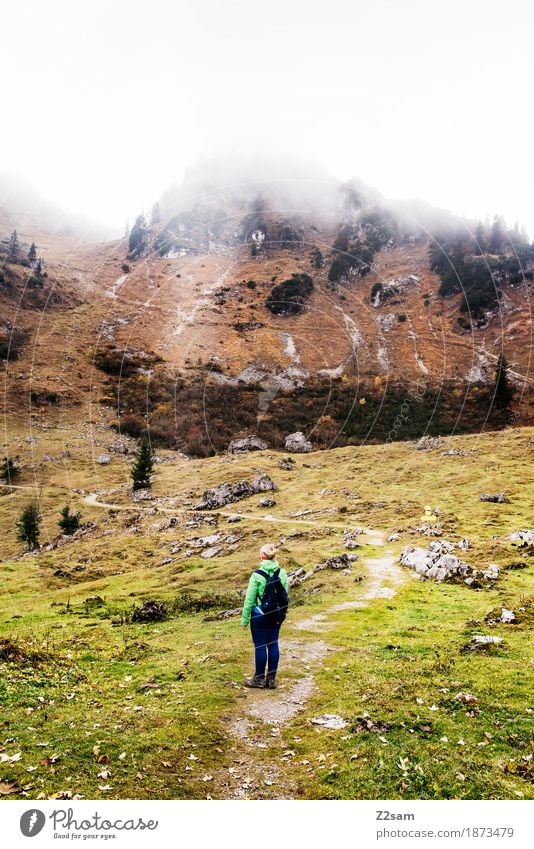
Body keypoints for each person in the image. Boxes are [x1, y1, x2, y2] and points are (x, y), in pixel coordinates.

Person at [241, 542, 289, 689]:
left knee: (260, 646)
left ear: (262, 556)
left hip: (259, 615)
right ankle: (272, 679)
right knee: (273, 644)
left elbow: (249, 599)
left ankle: (259, 679)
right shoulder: (282, 573)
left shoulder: (256, 575)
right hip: (276, 615)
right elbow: (285, 595)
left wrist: (244, 619)